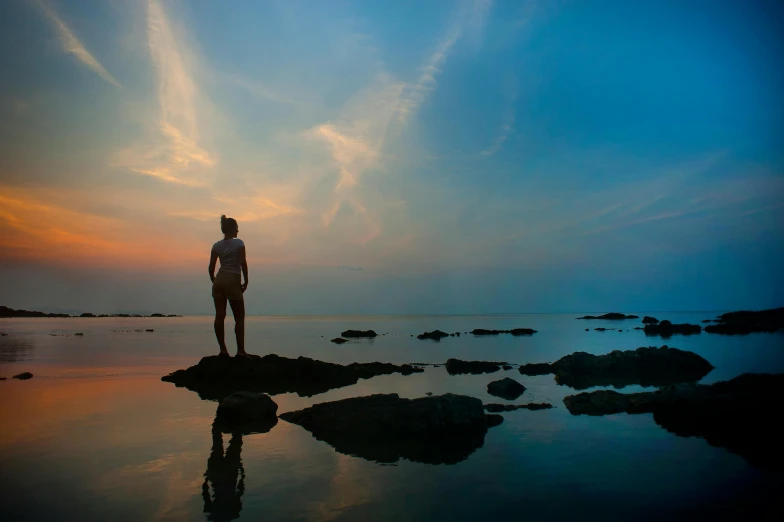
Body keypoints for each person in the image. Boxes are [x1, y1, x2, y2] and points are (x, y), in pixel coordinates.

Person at [209, 215, 249, 358]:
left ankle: (223, 350)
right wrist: (246, 280)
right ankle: (240, 351)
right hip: (233, 279)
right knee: (239, 317)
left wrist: (214, 280)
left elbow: (211, 266)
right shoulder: (239, 243)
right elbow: (243, 263)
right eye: (237, 227)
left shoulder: (216, 245)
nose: (238, 230)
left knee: (220, 315)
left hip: (219, 280)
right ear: (232, 229)